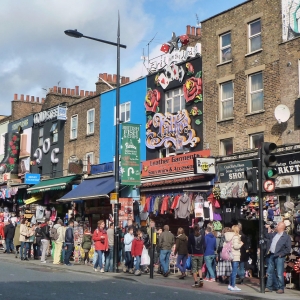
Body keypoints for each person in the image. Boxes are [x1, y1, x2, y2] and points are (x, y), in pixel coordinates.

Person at [265, 221, 291, 294]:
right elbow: (267, 236)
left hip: (279, 256)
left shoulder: (286, 237)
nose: (277, 226)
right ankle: (269, 287)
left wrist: (281, 254)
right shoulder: (275, 234)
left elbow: (288, 248)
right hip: (272, 255)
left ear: (281, 227)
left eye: (278, 225)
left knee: (279, 273)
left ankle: (280, 288)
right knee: (270, 272)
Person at [225, 225, 243, 292]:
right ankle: (233, 285)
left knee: (232, 271)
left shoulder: (229, 236)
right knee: (234, 271)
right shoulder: (235, 236)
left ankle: (231, 285)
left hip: (231, 255)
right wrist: (240, 244)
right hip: (235, 255)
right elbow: (235, 246)